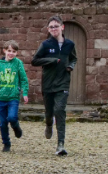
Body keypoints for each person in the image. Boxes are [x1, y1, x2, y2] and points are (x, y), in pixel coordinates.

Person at [31, 15, 77, 156]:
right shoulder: (46, 45)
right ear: (48, 29)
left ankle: (60, 144)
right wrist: (51, 60)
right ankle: (49, 124)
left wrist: (70, 66)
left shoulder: (70, 44)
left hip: (63, 82)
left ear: (62, 27)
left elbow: (74, 58)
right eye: (51, 27)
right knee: (50, 112)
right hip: (48, 83)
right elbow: (35, 61)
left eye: (56, 26)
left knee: (60, 111)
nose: (54, 29)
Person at [0, 40, 29, 152]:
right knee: (3, 123)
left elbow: (23, 79)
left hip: (13, 97)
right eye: (9, 51)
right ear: (4, 51)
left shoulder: (18, 63)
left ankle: (16, 127)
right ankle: (6, 143)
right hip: (1, 98)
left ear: (17, 52)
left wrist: (25, 93)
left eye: (14, 51)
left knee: (12, 117)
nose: (11, 53)